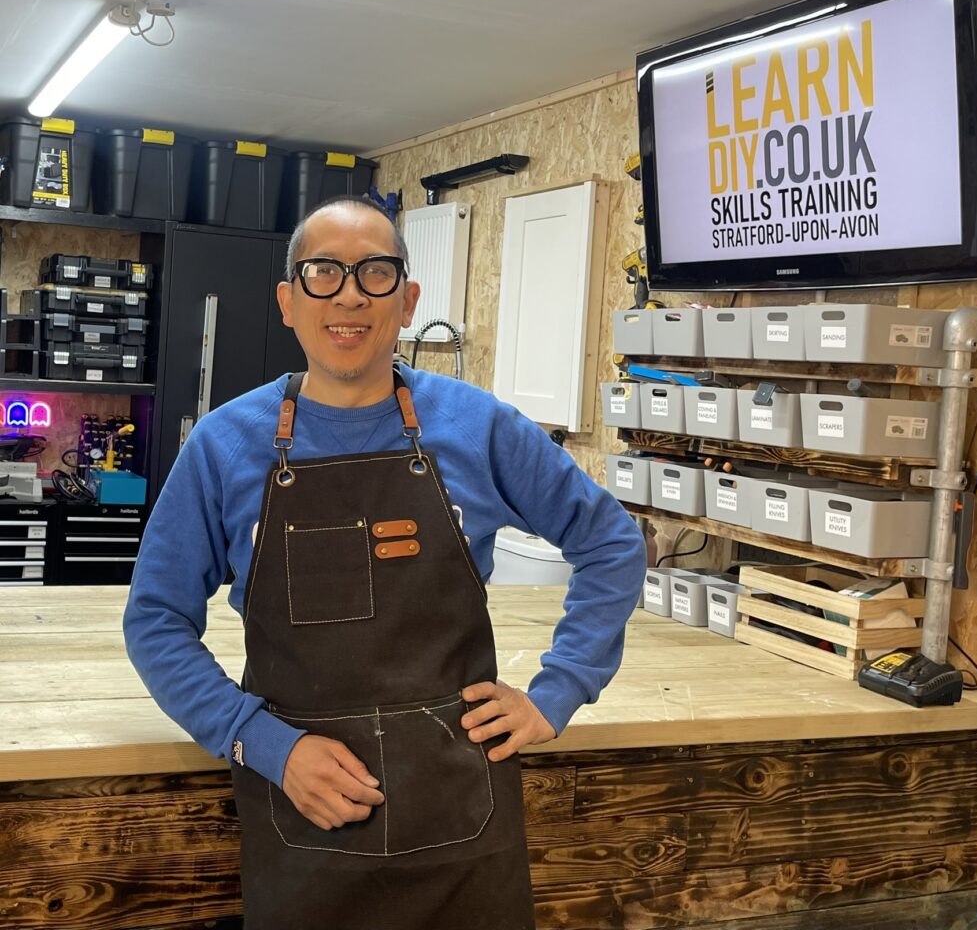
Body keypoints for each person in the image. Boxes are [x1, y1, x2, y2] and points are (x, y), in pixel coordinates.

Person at [123, 195, 646, 930]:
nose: (349, 296)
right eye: (323, 272)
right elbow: (155, 621)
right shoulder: (223, 445)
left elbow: (613, 543)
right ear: (288, 301)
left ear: (407, 301)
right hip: (302, 820)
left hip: (463, 813)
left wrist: (556, 692)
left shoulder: (479, 427)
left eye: (375, 272)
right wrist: (263, 742)